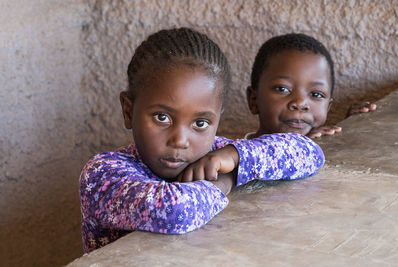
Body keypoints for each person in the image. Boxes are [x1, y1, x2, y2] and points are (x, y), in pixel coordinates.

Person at [79, 28, 325, 253]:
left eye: (200, 123)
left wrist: (235, 156)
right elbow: (173, 212)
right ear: (128, 111)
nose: (180, 140)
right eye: (162, 117)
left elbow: (309, 152)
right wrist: (226, 182)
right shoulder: (104, 175)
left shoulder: (214, 154)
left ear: (217, 120)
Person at [246, 33, 376, 139]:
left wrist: (349, 127)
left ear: (328, 107)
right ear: (254, 100)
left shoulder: (319, 146)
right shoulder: (236, 159)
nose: (300, 103)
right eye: (282, 89)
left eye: (316, 94)